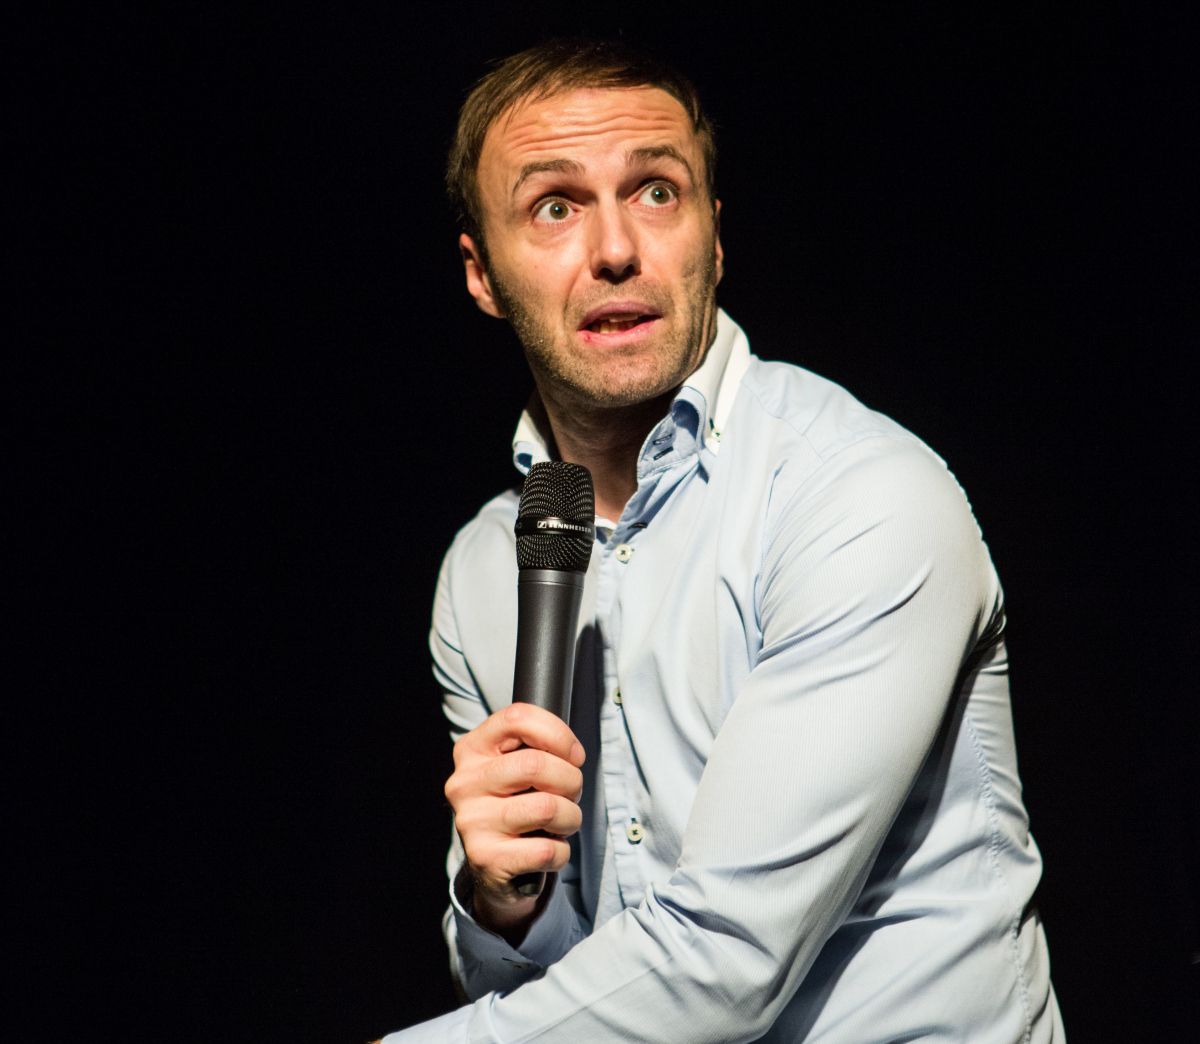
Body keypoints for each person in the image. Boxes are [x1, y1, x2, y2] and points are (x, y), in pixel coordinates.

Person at [380, 38, 1064, 1042]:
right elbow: (540, 994)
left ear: (714, 235)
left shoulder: (856, 495)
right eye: (556, 207)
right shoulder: (486, 570)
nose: (616, 248)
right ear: (481, 273)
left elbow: (728, 959)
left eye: (656, 192)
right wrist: (501, 903)